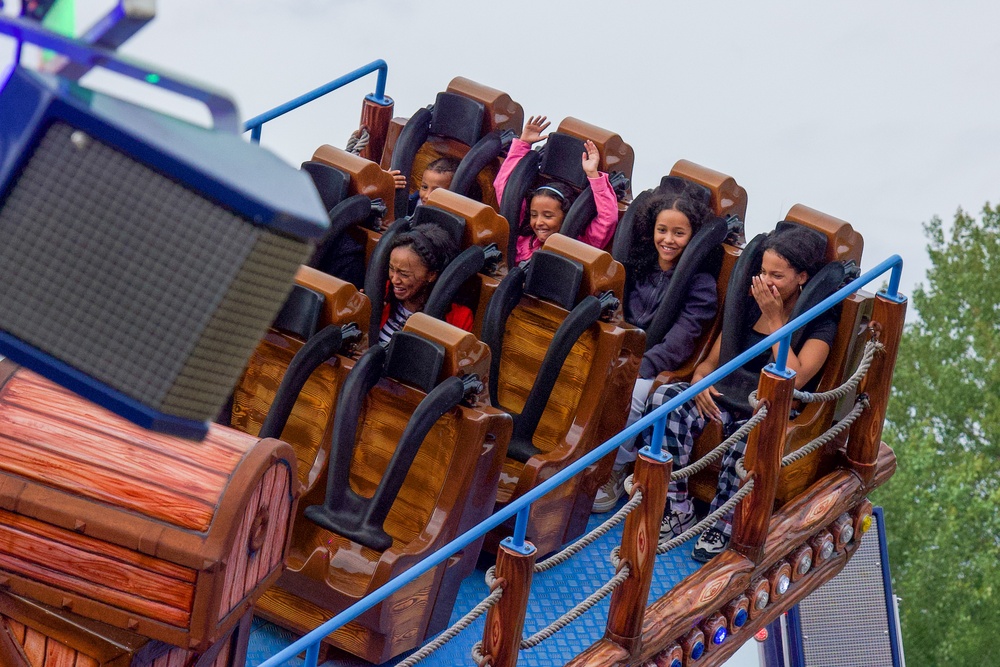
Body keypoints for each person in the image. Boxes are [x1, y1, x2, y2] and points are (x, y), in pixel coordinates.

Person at [646, 225, 836, 562]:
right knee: (666, 400)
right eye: (763, 271)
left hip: (770, 406)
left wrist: (777, 320)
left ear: (802, 277)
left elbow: (797, 377)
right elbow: (710, 363)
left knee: (751, 434)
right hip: (726, 395)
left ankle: (724, 520)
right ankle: (676, 507)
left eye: (776, 275)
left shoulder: (820, 323)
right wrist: (700, 383)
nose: (766, 281)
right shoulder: (750, 306)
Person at [592, 191, 719, 512]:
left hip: (655, 363)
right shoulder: (639, 266)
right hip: (619, 349)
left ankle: (617, 466)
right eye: (662, 230)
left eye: (679, 233)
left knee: (633, 393)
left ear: (693, 237)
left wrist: (642, 363)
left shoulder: (700, 283)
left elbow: (685, 337)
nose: (668, 240)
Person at [494, 115, 619, 262]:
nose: (539, 222)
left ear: (566, 216)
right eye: (534, 215)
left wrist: (593, 175)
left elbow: (607, 219)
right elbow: (503, 187)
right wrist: (522, 144)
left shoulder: (579, 246)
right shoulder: (522, 238)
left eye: (548, 216)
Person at [378, 223, 474, 345]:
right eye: (391, 269)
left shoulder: (459, 318)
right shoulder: (383, 292)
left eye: (405, 274)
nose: (394, 280)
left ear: (431, 275)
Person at [390, 157, 460, 216]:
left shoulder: (453, 220)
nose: (427, 196)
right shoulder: (410, 204)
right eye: (424, 187)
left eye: (436, 192)